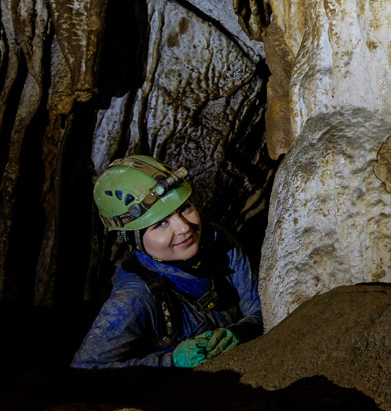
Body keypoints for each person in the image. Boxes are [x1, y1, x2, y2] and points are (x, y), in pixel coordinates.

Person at [72, 155, 262, 368]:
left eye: (185, 208)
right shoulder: (134, 298)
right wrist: (170, 361)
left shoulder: (218, 241)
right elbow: (85, 369)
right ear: (133, 239)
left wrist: (238, 332)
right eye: (160, 224)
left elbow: (260, 306)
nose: (184, 228)